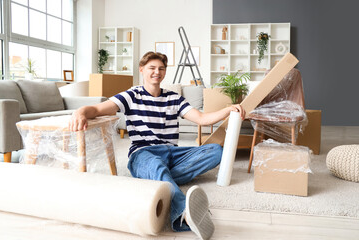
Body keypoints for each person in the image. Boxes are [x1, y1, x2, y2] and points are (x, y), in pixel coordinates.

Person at [69, 51, 245, 239]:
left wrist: (227, 110)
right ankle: (184, 213)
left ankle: (157, 179)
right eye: (152, 68)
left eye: (161, 68)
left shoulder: (174, 98)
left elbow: (201, 118)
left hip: (172, 153)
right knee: (156, 165)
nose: (156, 72)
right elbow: (96, 109)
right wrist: (80, 113)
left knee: (215, 151)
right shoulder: (131, 95)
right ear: (142, 70)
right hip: (143, 153)